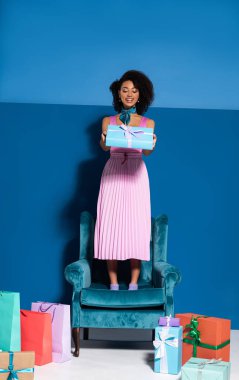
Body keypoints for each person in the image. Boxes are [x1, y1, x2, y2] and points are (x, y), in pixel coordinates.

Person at [94, 69, 157, 290]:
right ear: (118, 94)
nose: (129, 94)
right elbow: (105, 147)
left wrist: (152, 145)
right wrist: (103, 141)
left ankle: (133, 283)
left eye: (134, 90)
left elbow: (147, 152)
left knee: (136, 225)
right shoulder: (108, 121)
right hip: (113, 171)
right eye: (124, 90)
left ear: (140, 95)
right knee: (110, 222)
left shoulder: (148, 123)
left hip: (136, 173)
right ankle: (112, 283)